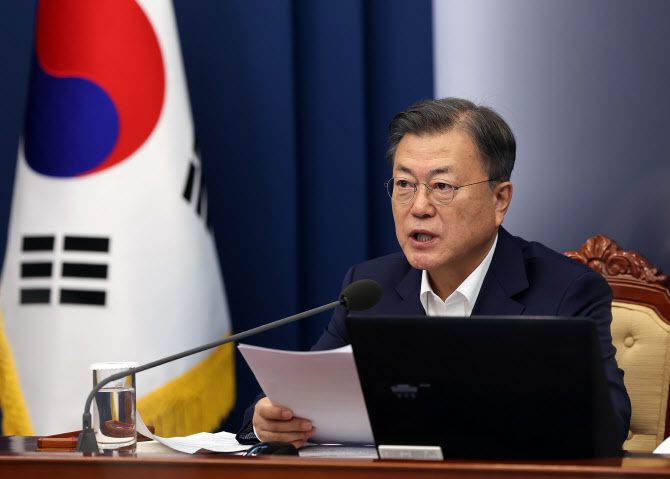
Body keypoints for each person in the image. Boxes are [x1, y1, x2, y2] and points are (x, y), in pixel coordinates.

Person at [237, 97, 631, 447]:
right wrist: (266, 420)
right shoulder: (369, 288)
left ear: (499, 200)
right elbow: (298, 397)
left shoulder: (565, 291)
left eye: (442, 186)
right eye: (405, 184)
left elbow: (609, 424)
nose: (419, 207)